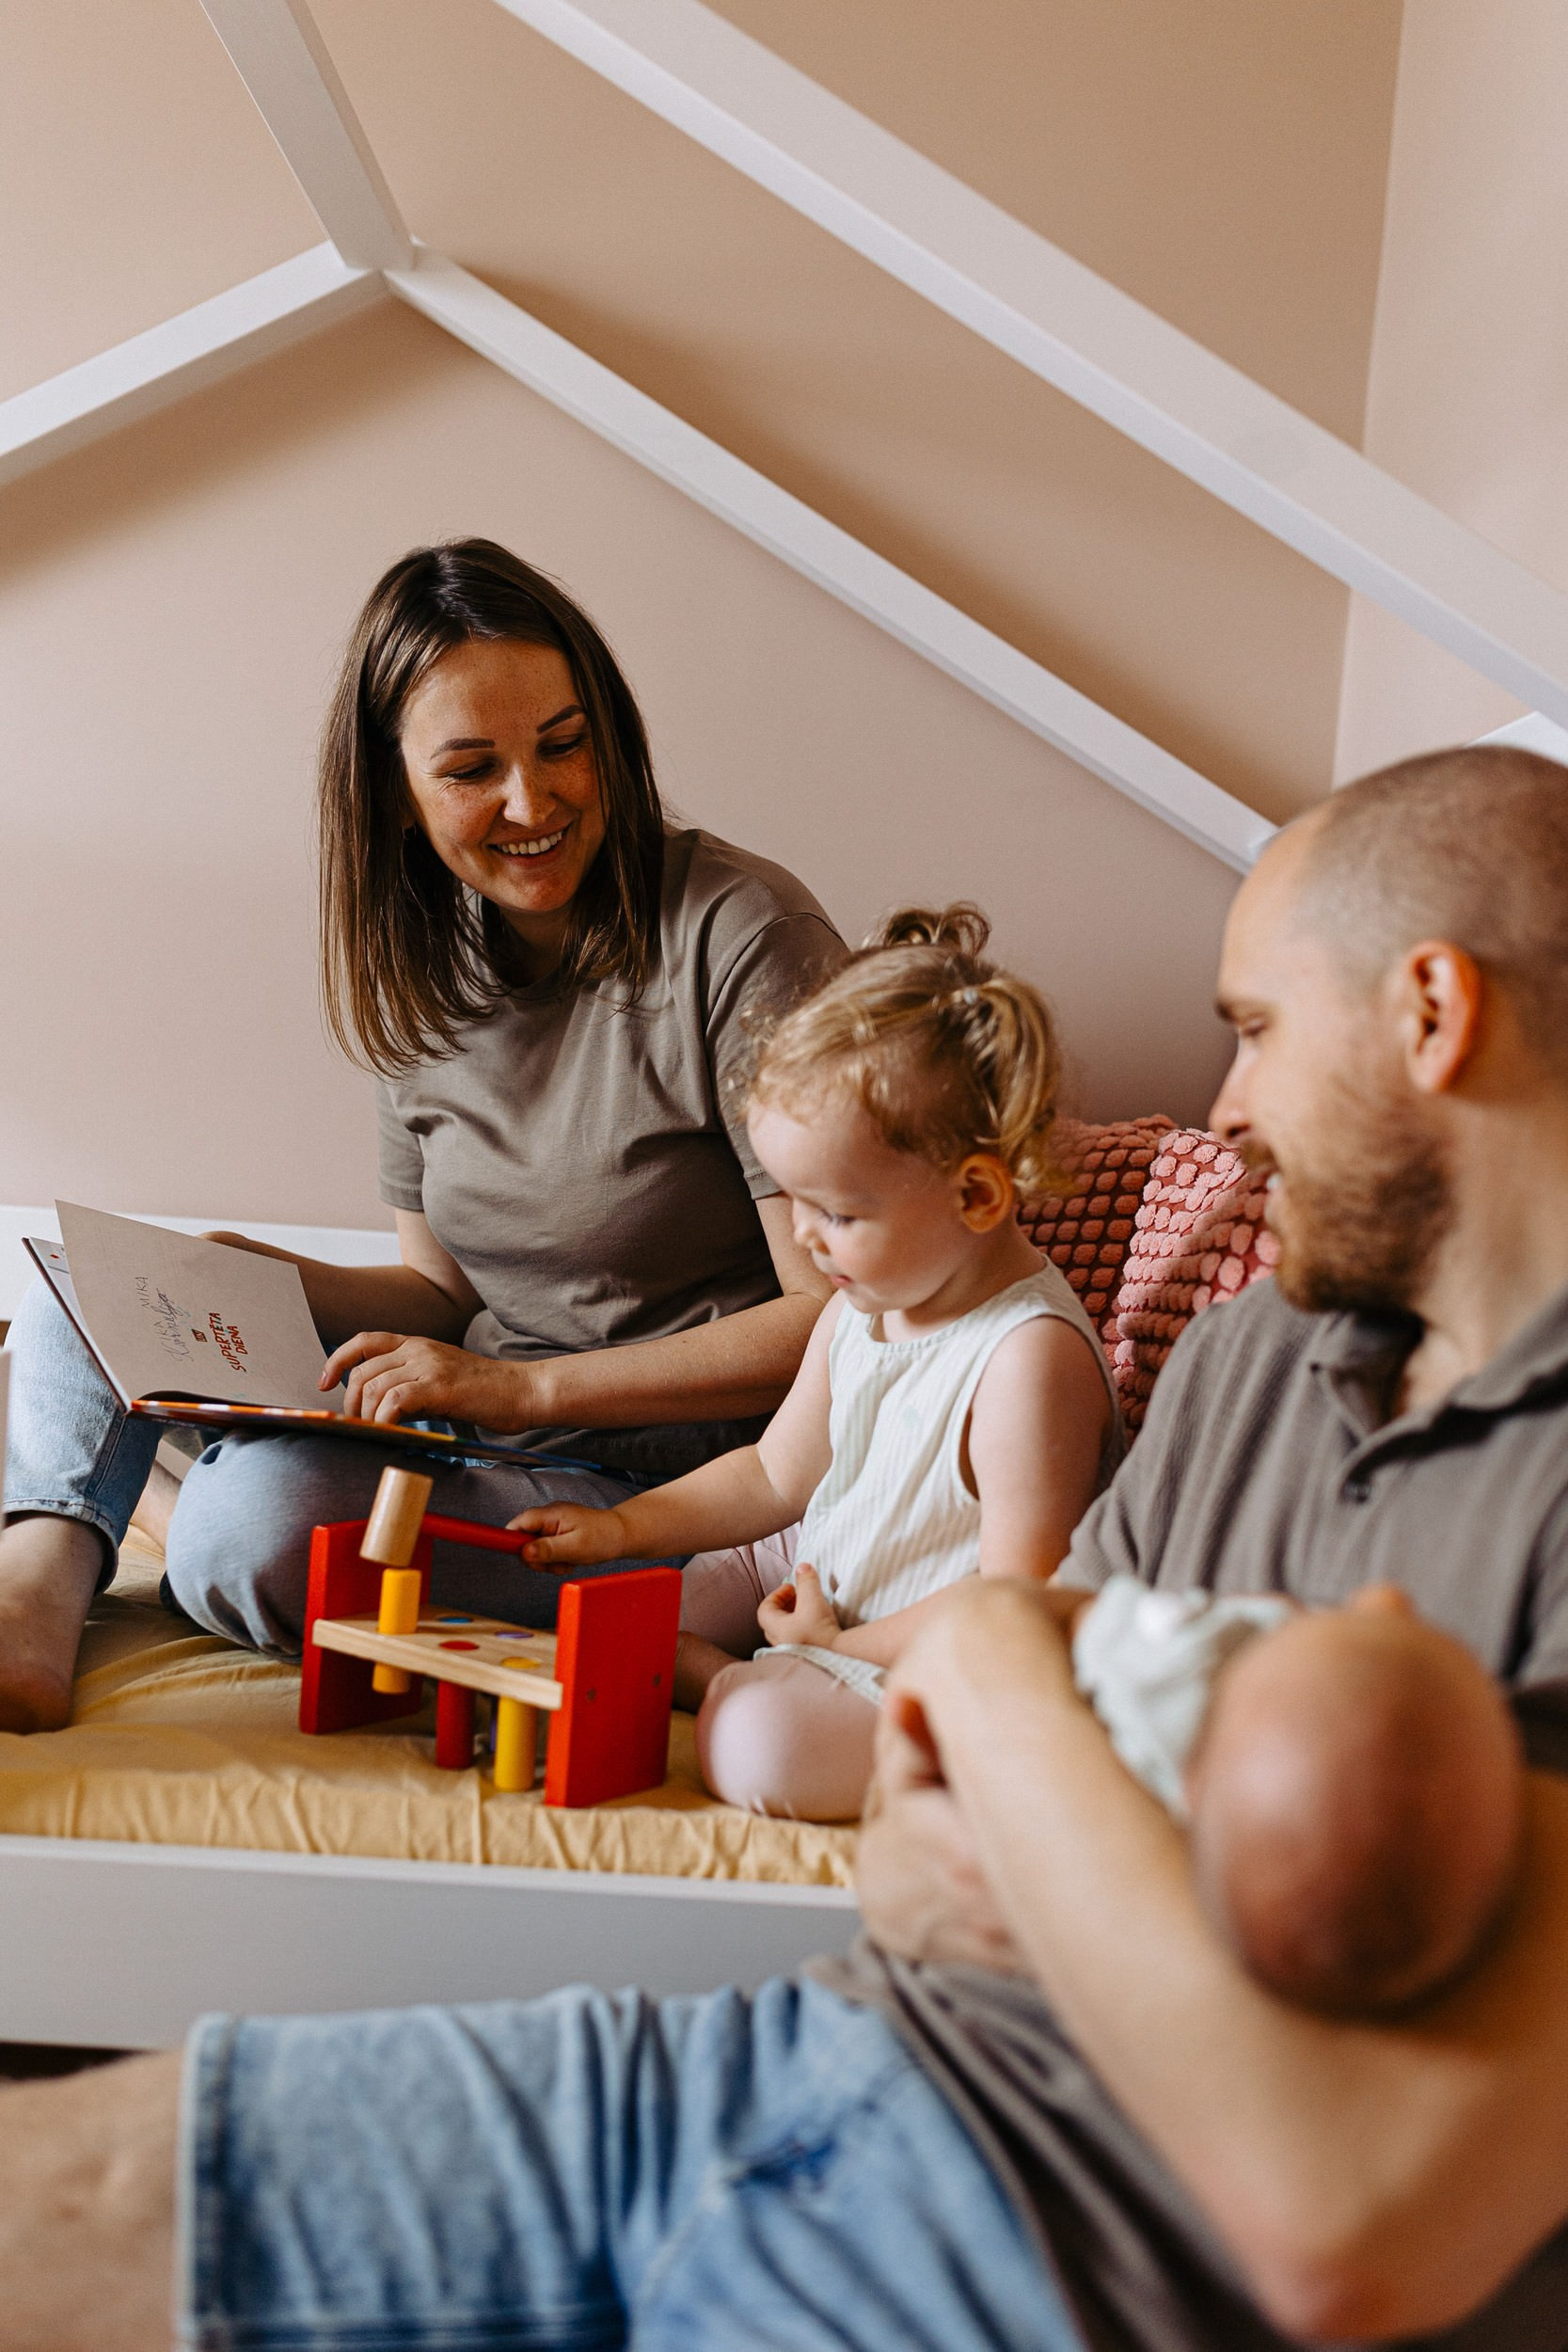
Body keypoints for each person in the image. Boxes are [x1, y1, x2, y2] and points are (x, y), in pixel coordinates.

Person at [8, 742, 1568, 2352]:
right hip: (811, 2063)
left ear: (1431, 1014)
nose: (1225, 1112)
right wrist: (1010, 1771)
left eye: (1251, 1029)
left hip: (1019, 2258)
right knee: (71, 2191)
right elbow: (917, 1850)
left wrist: (981, 1673)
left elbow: (1345, 2220)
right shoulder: (1266, 1358)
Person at [0, 540, 843, 1730]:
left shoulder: (740, 936)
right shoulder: (430, 971)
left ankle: (162, 1515)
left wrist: (520, 1385)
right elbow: (440, 1291)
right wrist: (238, 1271)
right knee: (74, 1282)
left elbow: (840, 1313)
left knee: (259, 1526)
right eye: (469, 769)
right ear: (396, 789)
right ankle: (32, 1588)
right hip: (479, 1434)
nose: (530, 802)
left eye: (562, 745)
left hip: (682, 1490)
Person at [512, 907, 1120, 1819]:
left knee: (765, 1746)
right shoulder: (857, 1308)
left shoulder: (1024, 1360)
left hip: (929, 1652)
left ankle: (736, 1685)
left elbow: (1014, 1602)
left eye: (834, 1211)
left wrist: (835, 1645)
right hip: (826, 1581)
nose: (801, 1236)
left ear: (978, 1192)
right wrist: (623, 1529)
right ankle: (727, 1667)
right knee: (654, 1606)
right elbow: (771, 1471)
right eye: (792, 1198)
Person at [1070, 1577, 1525, 2012]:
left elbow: (1073, 1616)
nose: (1389, 1595)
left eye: (1287, 1631)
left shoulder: (1162, 1690)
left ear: (1192, 1780)